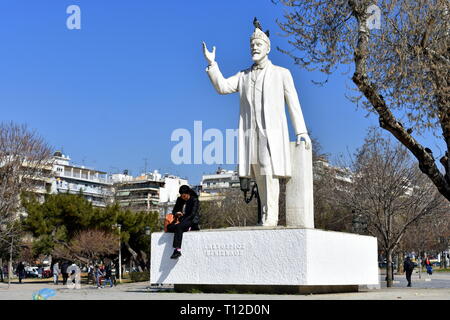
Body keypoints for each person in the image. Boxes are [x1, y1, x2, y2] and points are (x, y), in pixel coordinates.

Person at [203, 18, 311, 227]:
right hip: (251, 134)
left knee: (269, 171)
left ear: (267, 48)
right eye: (252, 45)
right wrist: (212, 64)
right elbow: (223, 87)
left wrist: (301, 131)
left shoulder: (281, 74)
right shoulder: (243, 76)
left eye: (258, 44)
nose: (254, 48)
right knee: (259, 173)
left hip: (272, 134)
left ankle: (271, 216)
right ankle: (265, 214)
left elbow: (293, 104)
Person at [166, 185, 200, 259]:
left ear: (188, 194)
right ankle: (187, 228)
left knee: (179, 227)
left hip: (191, 220)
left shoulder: (194, 200)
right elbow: (174, 210)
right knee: (169, 227)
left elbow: (192, 214)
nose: (183, 197)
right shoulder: (180, 200)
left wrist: (181, 222)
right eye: (182, 196)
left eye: (184, 196)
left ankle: (177, 250)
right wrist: (177, 213)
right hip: (181, 220)